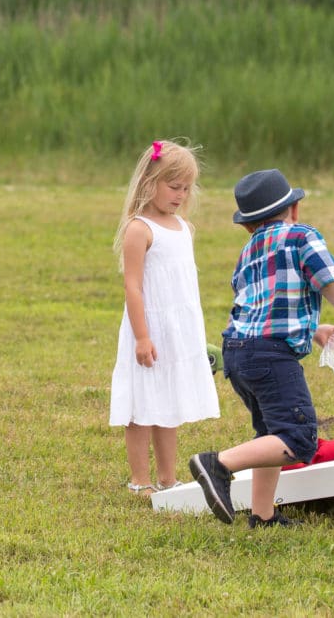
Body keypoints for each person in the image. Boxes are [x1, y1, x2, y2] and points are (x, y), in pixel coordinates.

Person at [189, 168, 334, 528]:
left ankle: (263, 516)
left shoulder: (248, 251)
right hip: (270, 355)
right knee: (298, 439)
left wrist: (315, 330)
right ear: (293, 208)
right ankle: (217, 464)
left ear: (249, 225)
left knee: (270, 434)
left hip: (238, 352)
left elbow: (265, 307)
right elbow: (329, 283)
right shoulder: (302, 236)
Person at [110, 140, 220, 497]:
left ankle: (168, 478)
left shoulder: (184, 228)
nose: (180, 195)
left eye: (186, 188)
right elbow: (133, 288)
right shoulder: (139, 229)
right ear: (149, 182)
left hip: (177, 331)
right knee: (143, 404)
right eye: (174, 187)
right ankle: (140, 480)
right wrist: (142, 336)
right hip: (149, 329)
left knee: (168, 403)